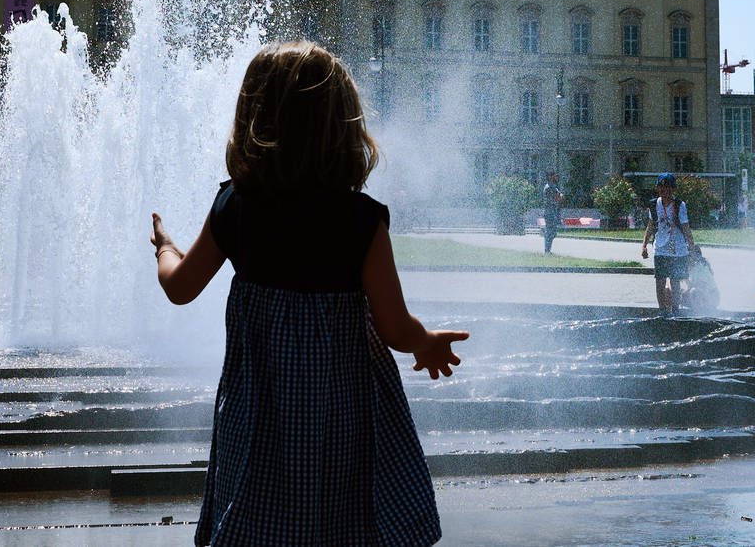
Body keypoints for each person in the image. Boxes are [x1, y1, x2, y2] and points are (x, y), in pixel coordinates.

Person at [149, 41, 466, 546]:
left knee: (256, 516)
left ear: (254, 116)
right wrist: (425, 341)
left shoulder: (235, 204)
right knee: (347, 522)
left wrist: (166, 246)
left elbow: (180, 287)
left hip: (259, 412)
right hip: (345, 415)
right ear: (341, 127)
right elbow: (393, 326)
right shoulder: (362, 220)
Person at [640, 173, 697, 314]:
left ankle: (675, 310)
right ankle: (662, 311)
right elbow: (651, 225)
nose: (665, 190)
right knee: (659, 280)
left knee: (675, 280)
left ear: (673, 189)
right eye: (662, 187)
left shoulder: (679, 205)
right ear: (657, 188)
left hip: (678, 249)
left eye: (669, 187)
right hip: (661, 248)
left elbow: (686, 228)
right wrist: (644, 245)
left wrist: (692, 249)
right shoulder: (654, 205)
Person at [541, 171, 564, 254]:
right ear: (550, 177)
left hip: (553, 211)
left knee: (552, 232)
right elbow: (557, 198)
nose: (557, 178)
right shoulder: (549, 187)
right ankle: (547, 250)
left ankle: (548, 250)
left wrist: (559, 196)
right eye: (555, 176)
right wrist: (559, 196)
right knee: (551, 232)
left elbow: (559, 197)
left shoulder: (553, 187)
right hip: (549, 212)